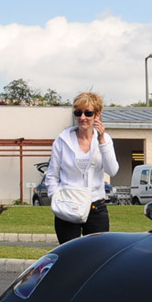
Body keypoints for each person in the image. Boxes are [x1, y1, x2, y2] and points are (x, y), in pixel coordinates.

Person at [42, 91, 118, 244]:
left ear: (97, 115)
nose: (82, 117)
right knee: (70, 255)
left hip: (96, 207)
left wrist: (102, 140)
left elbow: (112, 170)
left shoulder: (105, 140)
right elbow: (52, 174)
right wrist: (55, 196)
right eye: (78, 112)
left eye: (88, 113)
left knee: (97, 255)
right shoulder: (62, 140)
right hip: (68, 205)